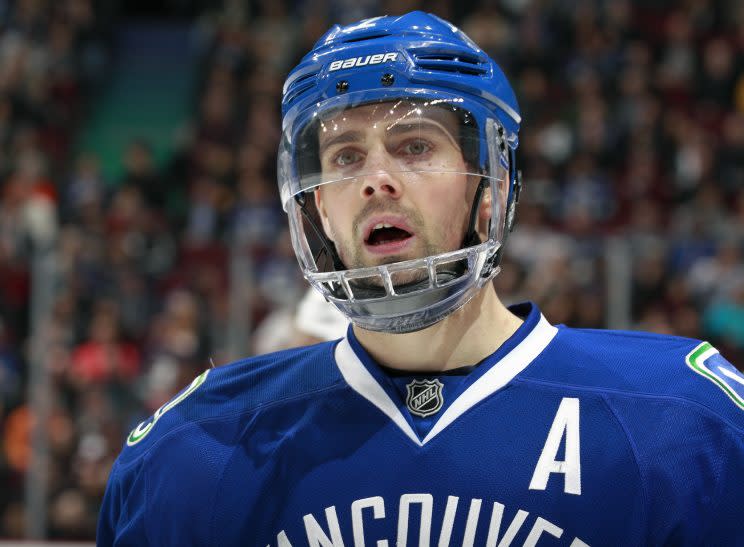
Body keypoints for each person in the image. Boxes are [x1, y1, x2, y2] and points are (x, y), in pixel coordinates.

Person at [98, 12, 744, 546]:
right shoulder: (194, 452)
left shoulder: (684, 426)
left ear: (488, 187)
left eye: (415, 145)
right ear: (319, 205)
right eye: (346, 155)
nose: (376, 177)